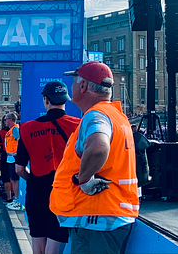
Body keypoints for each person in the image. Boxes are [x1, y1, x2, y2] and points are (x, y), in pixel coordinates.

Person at [51, 61, 139, 254]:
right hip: (109, 214)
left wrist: (83, 180)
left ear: (83, 86)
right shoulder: (116, 116)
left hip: (96, 218)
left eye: (74, 82)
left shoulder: (95, 115)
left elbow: (98, 148)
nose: (71, 87)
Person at [16, 80, 80, 254]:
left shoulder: (27, 128)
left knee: (38, 246)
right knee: (55, 248)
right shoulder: (77, 125)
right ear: (65, 100)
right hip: (65, 192)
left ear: (46, 100)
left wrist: (35, 179)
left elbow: (19, 169)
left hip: (37, 192)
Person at [3, 113, 23, 209]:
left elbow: (19, 140)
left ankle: (18, 199)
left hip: (14, 157)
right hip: (10, 157)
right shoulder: (10, 130)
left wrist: (16, 153)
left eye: (6, 119)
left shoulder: (15, 129)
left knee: (16, 179)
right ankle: (16, 198)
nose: (5, 121)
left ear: (10, 120)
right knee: (13, 179)